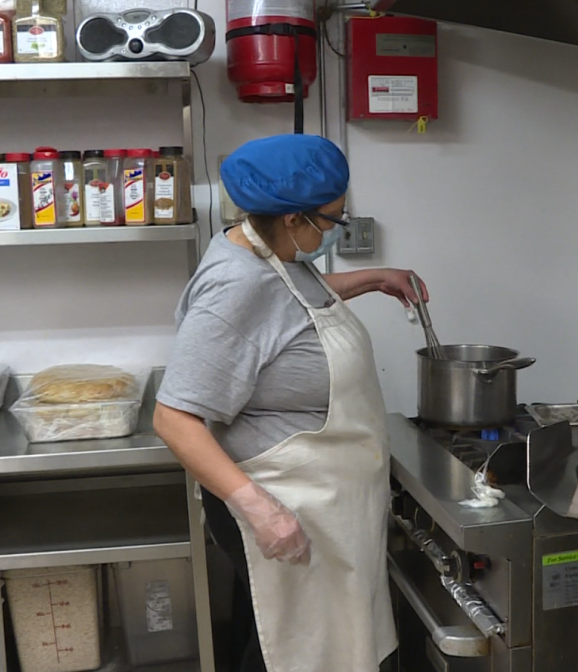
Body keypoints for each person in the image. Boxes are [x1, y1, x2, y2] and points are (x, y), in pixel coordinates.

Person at [153, 133, 424, 672]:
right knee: (296, 650)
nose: (336, 230)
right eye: (332, 221)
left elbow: (294, 302)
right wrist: (262, 511)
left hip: (322, 499)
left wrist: (375, 278)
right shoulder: (236, 286)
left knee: (314, 641)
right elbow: (174, 418)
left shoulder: (265, 250)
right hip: (285, 505)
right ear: (295, 221)